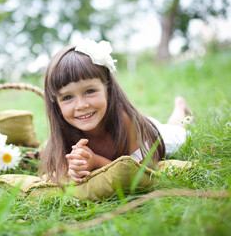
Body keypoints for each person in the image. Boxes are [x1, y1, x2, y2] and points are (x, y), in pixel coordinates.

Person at [39, 39, 192, 184]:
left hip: (154, 135)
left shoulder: (127, 121)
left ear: (109, 91)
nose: (81, 105)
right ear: (57, 106)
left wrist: (96, 161)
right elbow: (61, 170)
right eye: (67, 97)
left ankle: (180, 107)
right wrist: (74, 167)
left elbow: (141, 172)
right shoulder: (62, 134)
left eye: (90, 91)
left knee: (178, 132)